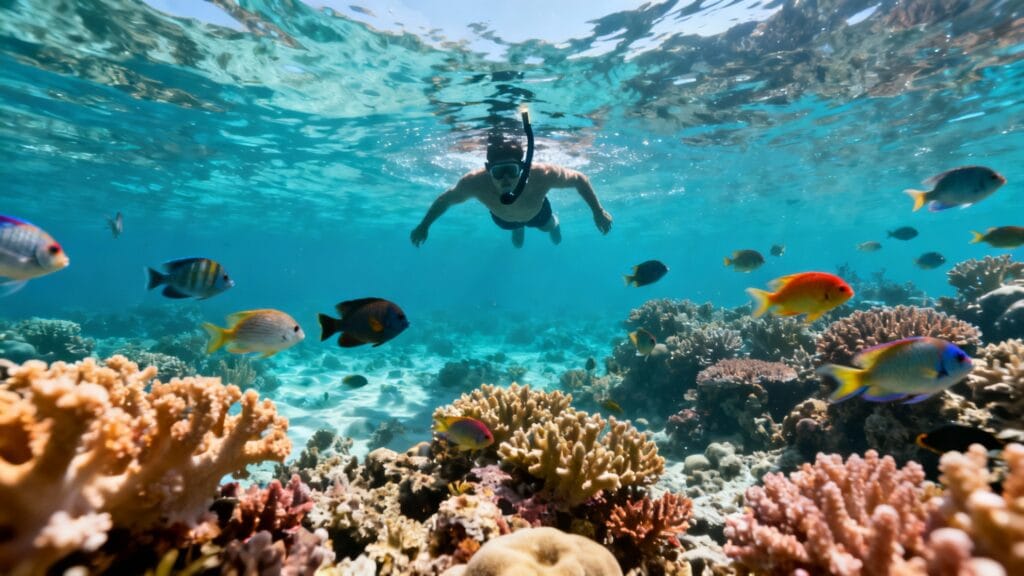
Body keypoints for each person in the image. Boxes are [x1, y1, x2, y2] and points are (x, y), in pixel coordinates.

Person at [410, 139, 613, 248]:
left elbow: (579, 179)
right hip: (503, 220)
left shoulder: (542, 174)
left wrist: (597, 210)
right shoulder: (474, 182)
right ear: (488, 169)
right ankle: (518, 228)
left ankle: (554, 224)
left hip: (537, 213)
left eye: (512, 171)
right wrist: (424, 225)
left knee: (547, 227)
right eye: (498, 172)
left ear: (523, 167)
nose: (506, 179)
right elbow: (445, 200)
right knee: (514, 234)